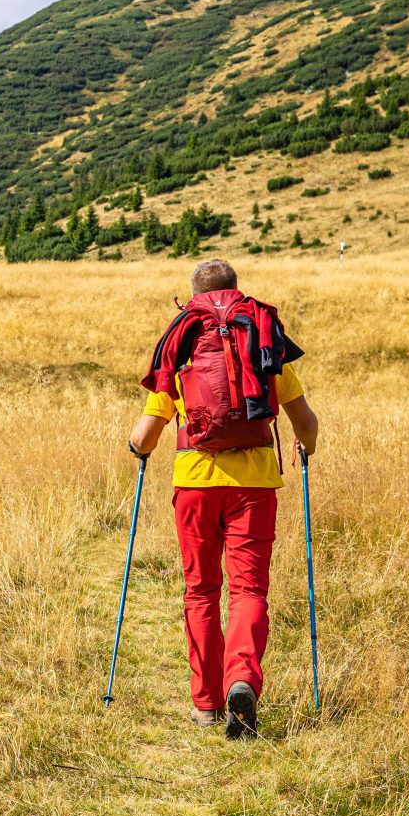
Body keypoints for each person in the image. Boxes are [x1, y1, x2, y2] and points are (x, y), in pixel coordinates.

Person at [127, 259, 318, 739]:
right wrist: (305, 447)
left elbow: (149, 430)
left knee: (201, 591)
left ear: (192, 296)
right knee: (250, 590)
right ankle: (242, 681)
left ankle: (207, 705)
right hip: (254, 486)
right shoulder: (261, 333)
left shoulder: (185, 339)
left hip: (195, 485)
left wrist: (137, 448)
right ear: (237, 292)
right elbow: (305, 422)